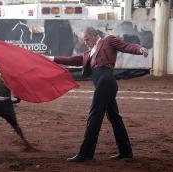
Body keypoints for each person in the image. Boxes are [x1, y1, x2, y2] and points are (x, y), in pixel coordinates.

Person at [49, 27, 148, 162]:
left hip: (106, 81)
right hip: (104, 84)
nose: (86, 42)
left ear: (95, 35)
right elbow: (72, 60)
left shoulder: (108, 40)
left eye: (87, 39)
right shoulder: (89, 53)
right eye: (84, 40)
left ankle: (86, 154)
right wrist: (51, 58)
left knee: (94, 117)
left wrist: (139, 49)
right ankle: (125, 152)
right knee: (114, 118)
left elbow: (126, 46)